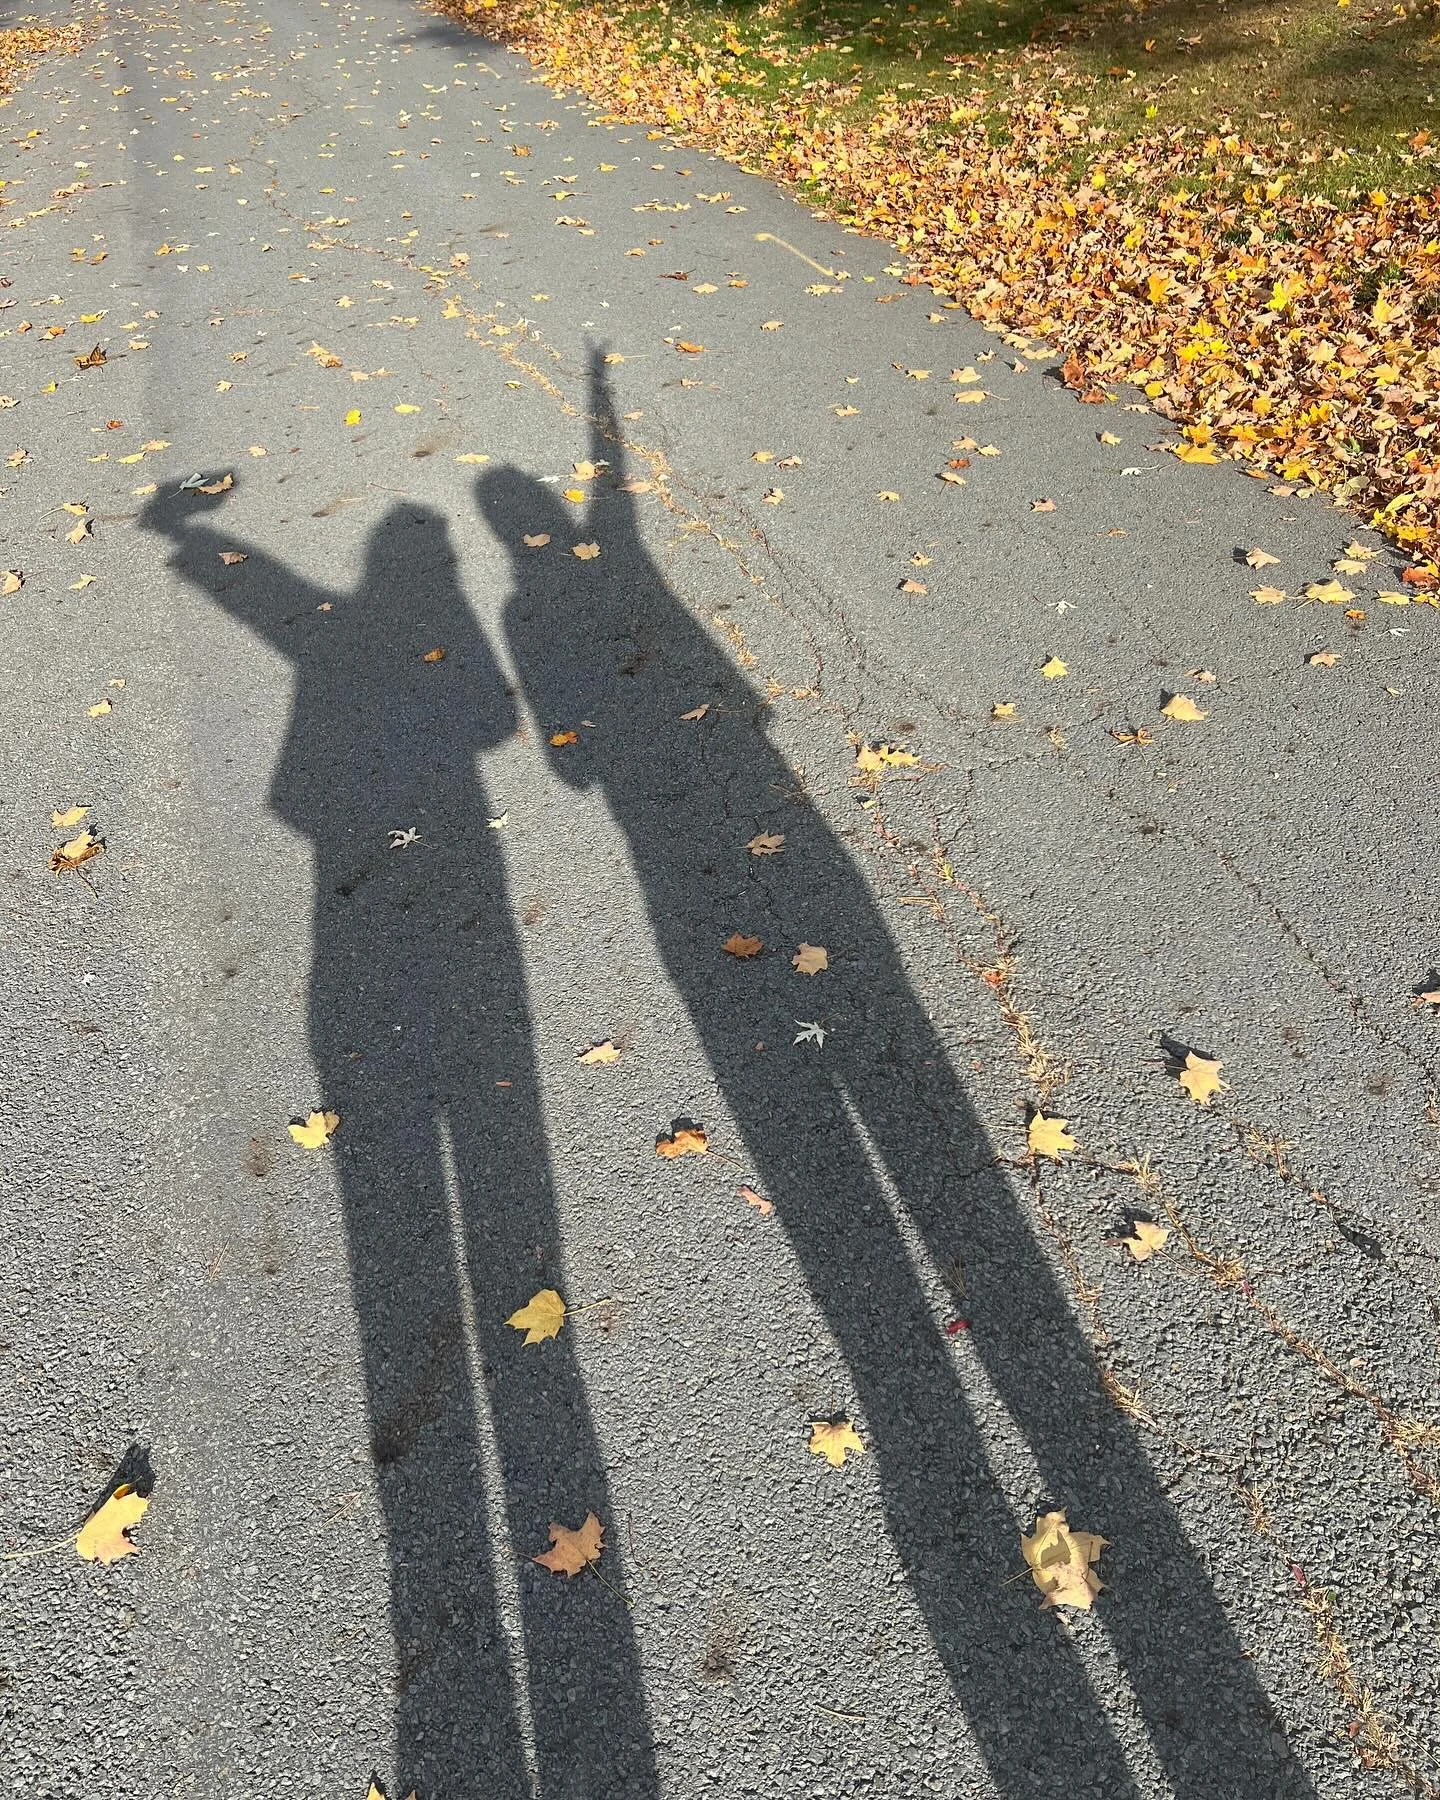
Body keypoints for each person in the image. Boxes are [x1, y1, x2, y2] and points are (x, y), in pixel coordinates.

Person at [484, 351, 1316, 1799]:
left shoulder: (525, 609)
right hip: (773, 851)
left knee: (869, 1210)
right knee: (918, 1142)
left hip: (688, 882)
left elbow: (562, 767)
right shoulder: (559, 596)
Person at [141, 486, 658, 1800]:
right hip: (444, 853)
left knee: (387, 1109)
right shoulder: (436, 624)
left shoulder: (345, 626)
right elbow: (487, 719)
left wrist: (196, 548)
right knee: (480, 1125)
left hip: (350, 870)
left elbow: (280, 609)